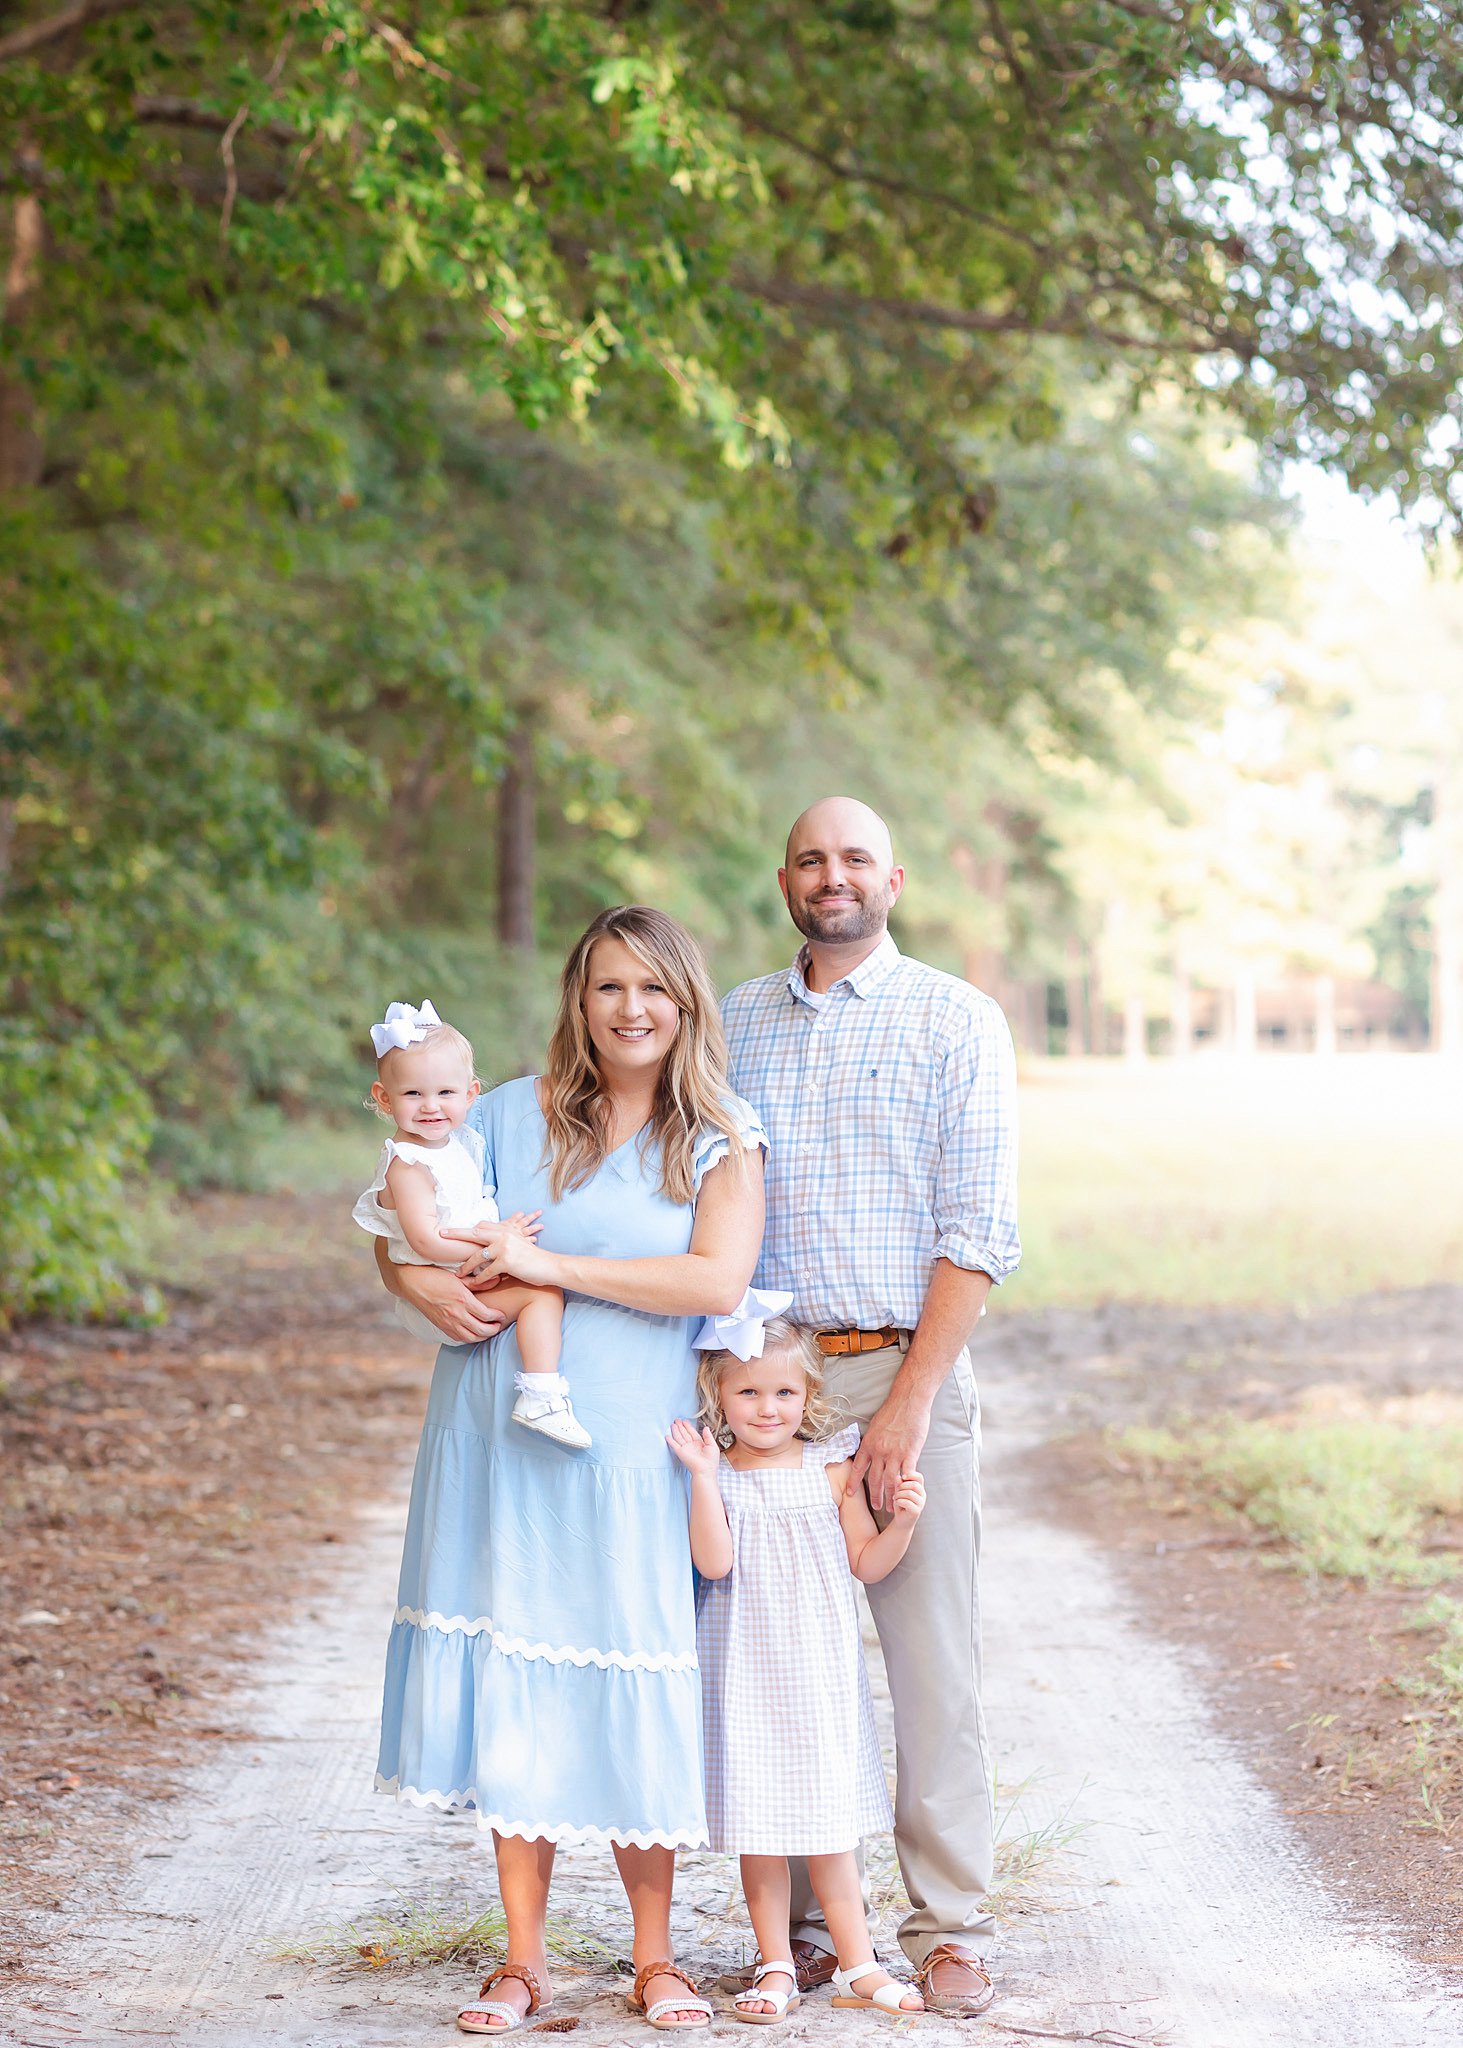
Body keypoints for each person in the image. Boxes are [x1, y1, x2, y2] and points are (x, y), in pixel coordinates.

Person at [373, 908, 768, 2035]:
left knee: (629, 1668)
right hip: (500, 1426)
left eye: (652, 986)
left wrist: (548, 1261)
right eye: (606, 986)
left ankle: (656, 1957)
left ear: (686, 1000)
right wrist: (411, 1284)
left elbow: (711, 1279)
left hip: (630, 1439)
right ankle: (524, 1958)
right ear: (576, 997)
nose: (630, 1007)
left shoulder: (718, 1134)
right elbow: (399, 1206)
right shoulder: (503, 1108)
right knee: (521, 1670)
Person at [721, 796, 1021, 2019]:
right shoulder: (731, 1021)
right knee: (774, 1657)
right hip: (767, 1389)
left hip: (905, 1367)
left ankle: (948, 1923)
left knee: (927, 1658)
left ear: (892, 876)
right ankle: (791, 1926)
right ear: (784, 877)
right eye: (810, 857)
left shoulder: (955, 1017)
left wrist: (905, 1404)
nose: (831, 875)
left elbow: (978, 1230)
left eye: (853, 857)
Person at [668, 1316, 927, 2025]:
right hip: (743, 1666)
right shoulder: (717, 1471)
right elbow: (713, 1563)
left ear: (806, 1394)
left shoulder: (829, 1467)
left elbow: (865, 1561)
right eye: (748, 1392)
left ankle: (859, 1963)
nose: (766, 1407)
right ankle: (775, 1961)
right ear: (719, 1397)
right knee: (762, 1825)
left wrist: (900, 1522)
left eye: (783, 1391)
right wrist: (697, 1478)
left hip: (815, 1671)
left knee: (827, 1824)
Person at [353, 999, 586, 1448]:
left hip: (462, 1276)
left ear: (470, 1094)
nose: (430, 1107)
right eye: (412, 1094)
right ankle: (540, 1394)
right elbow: (425, 1240)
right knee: (544, 1294)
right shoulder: (409, 1162)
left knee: (541, 1288)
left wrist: (500, 1238)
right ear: (384, 1097)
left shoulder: (456, 1142)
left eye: (445, 1093)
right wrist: (498, 1246)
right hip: (447, 1288)